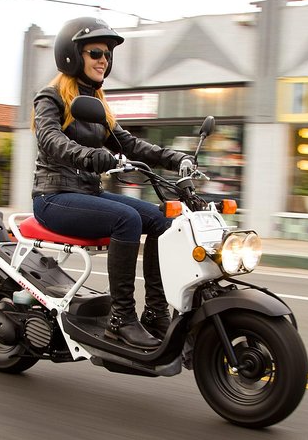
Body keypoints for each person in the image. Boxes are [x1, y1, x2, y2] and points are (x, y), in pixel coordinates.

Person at [31, 17, 194, 349]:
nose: (103, 59)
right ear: (72, 55)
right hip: (54, 196)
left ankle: (156, 313)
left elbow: (131, 145)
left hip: (87, 193)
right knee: (127, 219)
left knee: (164, 221)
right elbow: (50, 140)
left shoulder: (99, 107)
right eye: (95, 52)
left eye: (107, 54)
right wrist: (90, 156)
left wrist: (176, 158)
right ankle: (121, 319)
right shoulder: (50, 97)